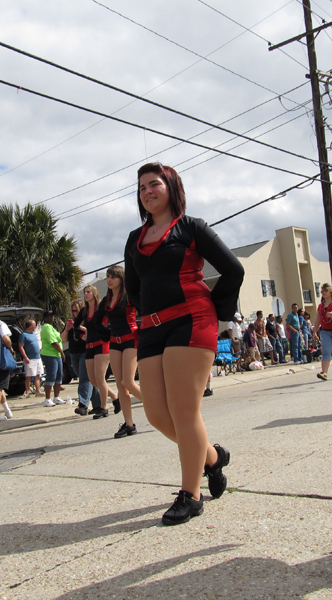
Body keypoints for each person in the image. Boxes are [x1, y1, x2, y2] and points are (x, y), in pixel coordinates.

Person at [126, 162, 244, 525]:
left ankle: (191, 495)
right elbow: (134, 287)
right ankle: (211, 457)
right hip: (152, 328)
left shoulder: (192, 228)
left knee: (183, 410)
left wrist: (214, 305)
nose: (147, 191)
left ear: (171, 187)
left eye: (154, 184)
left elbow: (233, 269)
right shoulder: (134, 237)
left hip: (191, 321)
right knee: (156, 414)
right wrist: (145, 314)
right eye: (142, 186)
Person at [95, 265, 141, 439]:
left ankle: (158, 408)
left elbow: (145, 309)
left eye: (113, 277)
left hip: (131, 339)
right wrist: (105, 333)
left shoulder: (129, 296)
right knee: (121, 386)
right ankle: (129, 424)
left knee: (128, 381)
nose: (109, 280)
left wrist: (142, 328)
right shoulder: (107, 300)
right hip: (114, 342)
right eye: (107, 276)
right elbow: (97, 321)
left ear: (121, 279)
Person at [77, 285, 118, 418]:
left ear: (94, 293)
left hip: (102, 344)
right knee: (93, 380)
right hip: (89, 345)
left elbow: (113, 320)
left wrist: (109, 333)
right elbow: (76, 325)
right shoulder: (84, 311)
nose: (86, 294)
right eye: (85, 292)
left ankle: (103, 408)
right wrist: (82, 334)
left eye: (88, 292)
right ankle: (115, 397)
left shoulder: (101, 307)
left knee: (100, 378)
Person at [63, 300, 94, 416]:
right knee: (88, 378)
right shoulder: (71, 323)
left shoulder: (86, 321)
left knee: (84, 378)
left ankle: (83, 405)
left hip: (85, 352)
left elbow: (91, 334)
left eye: (76, 310)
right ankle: (98, 403)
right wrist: (67, 329)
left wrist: (81, 327)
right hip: (73, 352)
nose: (74, 313)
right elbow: (64, 339)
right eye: (72, 311)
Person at [40, 311, 66, 406]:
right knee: (51, 376)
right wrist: (62, 352)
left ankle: (56, 397)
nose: (52, 317)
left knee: (59, 376)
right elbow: (53, 342)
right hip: (50, 354)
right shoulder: (46, 327)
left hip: (56, 355)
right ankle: (47, 398)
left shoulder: (52, 327)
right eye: (50, 316)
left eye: (53, 315)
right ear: (46, 317)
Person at [18, 320, 44, 398]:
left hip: (37, 357)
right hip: (30, 358)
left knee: (37, 375)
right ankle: (27, 392)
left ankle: (38, 391)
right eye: (34, 325)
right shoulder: (23, 335)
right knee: (29, 376)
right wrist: (25, 357)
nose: (35, 327)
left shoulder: (33, 334)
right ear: (30, 326)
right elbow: (21, 347)